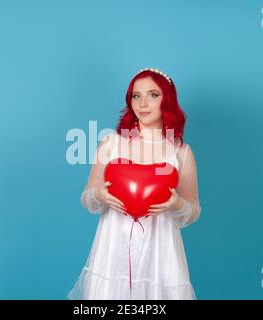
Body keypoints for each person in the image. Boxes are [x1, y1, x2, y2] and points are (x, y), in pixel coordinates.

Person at [67, 68, 202, 300]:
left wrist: (177, 203)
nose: (143, 103)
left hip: (161, 251)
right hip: (113, 248)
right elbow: (88, 196)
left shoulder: (181, 152)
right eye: (136, 96)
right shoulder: (111, 144)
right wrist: (99, 195)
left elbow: (193, 211)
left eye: (153, 95)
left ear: (167, 100)